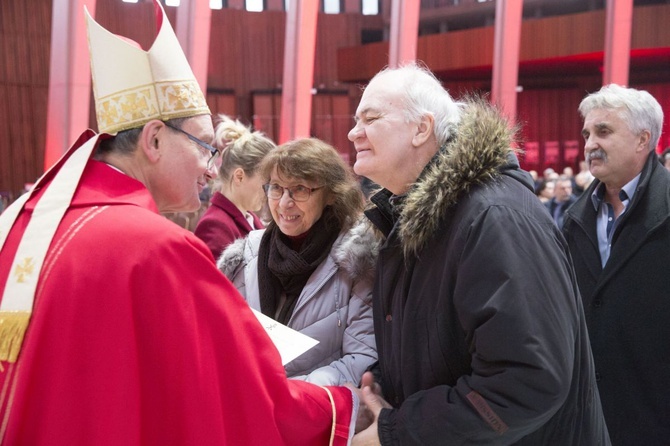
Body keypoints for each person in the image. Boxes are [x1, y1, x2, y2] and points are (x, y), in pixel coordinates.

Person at [0, 2, 357, 444]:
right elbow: (246, 394)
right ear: (152, 139)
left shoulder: (26, 222)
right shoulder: (155, 247)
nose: (212, 169)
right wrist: (343, 405)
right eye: (204, 146)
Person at [347, 63, 610, 445]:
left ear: (422, 128)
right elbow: (446, 348)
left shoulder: (493, 217)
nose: (354, 132)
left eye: (370, 118)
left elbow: (526, 382)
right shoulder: (415, 218)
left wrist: (398, 431)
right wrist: (382, 389)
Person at [218, 138, 378, 386]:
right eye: (276, 188)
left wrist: (293, 393)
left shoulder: (355, 261)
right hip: (255, 408)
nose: (284, 203)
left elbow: (362, 357)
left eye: (300, 189)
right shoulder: (247, 255)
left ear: (331, 195)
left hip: (320, 412)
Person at [562, 84, 670, 444]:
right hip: (588, 416)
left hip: (654, 413)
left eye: (603, 131)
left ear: (643, 140)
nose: (590, 143)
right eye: (587, 133)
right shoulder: (574, 219)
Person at [194, 115, 276, 259]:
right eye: (266, 184)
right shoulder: (215, 225)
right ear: (239, 176)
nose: (268, 193)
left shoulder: (248, 218)